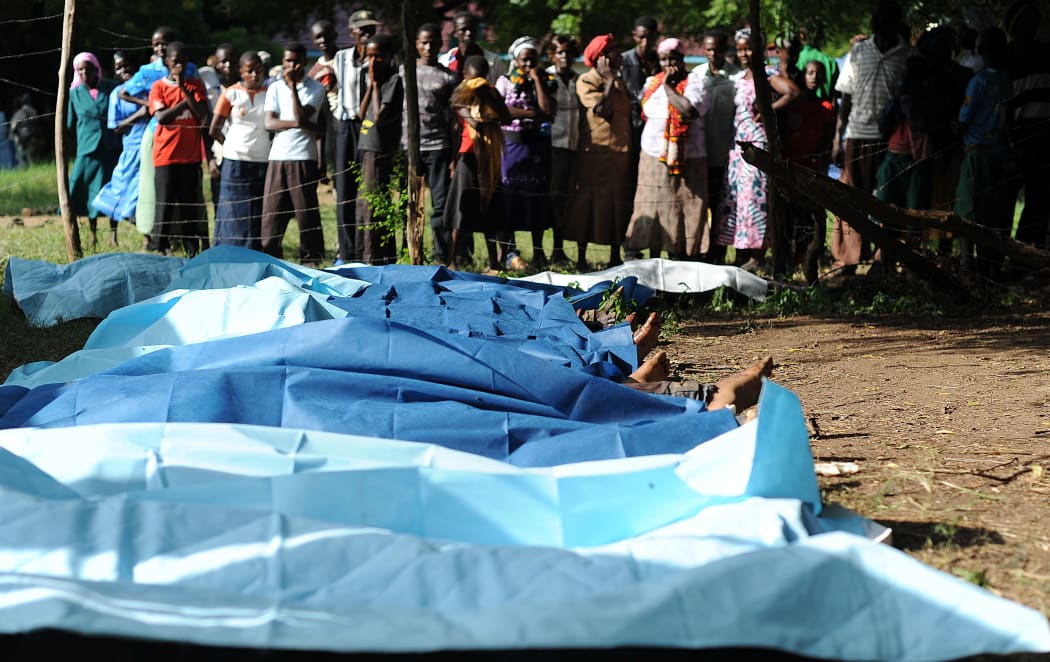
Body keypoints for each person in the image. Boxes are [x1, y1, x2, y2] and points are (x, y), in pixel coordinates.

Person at [830, 0, 910, 274]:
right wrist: (838, 137)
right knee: (852, 200)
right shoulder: (859, 51)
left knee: (888, 202)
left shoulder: (907, 55)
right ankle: (849, 261)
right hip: (857, 133)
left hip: (891, 140)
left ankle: (883, 260)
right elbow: (846, 96)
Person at [716, 29, 799, 272]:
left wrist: (768, 109)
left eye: (748, 48)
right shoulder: (740, 77)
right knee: (737, 201)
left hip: (758, 146)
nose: (743, 53)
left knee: (756, 200)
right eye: (740, 49)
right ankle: (742, 252)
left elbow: (792, 92)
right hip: (737, 148)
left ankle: (758, 253)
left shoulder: (767, 75)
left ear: (760, 49)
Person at [623, 38, 709, 259]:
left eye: (673, 58)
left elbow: (689, 110)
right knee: (651, 202)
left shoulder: (696, 81)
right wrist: (663, 83)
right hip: (653, 155)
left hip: (689, 157)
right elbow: (644, 112)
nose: (668, 63)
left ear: (682, 59)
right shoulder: (652, 82)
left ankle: (682, 252)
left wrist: (669, 86)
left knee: (683, 203)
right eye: (664, 59)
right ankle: (645, 248)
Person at [122, 26, 197, 249]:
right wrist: (151, 106)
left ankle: (180, 238)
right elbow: (123, 93)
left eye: (164, 42)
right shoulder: (148, 71)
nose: (160, 48)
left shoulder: (189, 67)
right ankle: (150, 236)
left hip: (184, 135)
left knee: (185, 191)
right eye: (156, 44)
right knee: (153, 188)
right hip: (156, 132)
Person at [566, 34, 632, 271]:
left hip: (620, 155)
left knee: (617, 203)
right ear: (601, 57)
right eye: (613, 50)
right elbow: (602, 110)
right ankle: (581, 258)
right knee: (588, 203)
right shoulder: (587, 80)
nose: (619, 54)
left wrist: (612, 80)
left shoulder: (618, 81)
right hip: (595, 154)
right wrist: (607, 80)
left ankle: (615, 256)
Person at [955, 27, 1014, 279]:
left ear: (981, 51)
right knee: (995, 211)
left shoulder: (978, 81)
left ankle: (967, 266)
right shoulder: (1006, 79)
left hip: (977, 152)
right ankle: (991, 266)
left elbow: (965, 117)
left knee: (968, 210)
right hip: (1001, 153)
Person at [261, 42, 326, 266]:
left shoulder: (315, 88)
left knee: (305, 211)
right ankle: (270, 254)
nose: (292, 65)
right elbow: (269, 122)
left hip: (303, 155)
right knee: (272, 210)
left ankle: (311, 258)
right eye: (288, 61)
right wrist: (299, 124)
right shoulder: (274, 88)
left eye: (297, 61)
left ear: (305, 62)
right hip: (278, 154)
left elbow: (300, 116)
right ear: (283, 62)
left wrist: (292, 89)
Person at [494, 36, 556, 271]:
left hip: (537, 147)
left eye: (533, 59)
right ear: (516, 60)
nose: (528, 63)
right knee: (510, 197)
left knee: (537, 198)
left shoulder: (546, 81)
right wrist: (530, 113)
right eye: (524, 59)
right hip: (511, 146)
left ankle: (538, 252)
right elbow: (501, 110)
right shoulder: (505, 81)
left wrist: (537, 80)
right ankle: (510, 252)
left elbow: (548, 110)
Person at [446, 55, 511, 271]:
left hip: (489, 157)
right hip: (469, 154)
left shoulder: (490, 92)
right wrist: (478, 116)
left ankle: (494, 262)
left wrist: (489, 97)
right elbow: (464, 112)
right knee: (460, 209)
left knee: (489, 208)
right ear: (466, 76)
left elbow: (506, 117)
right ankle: (452, 260)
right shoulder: (461, 93)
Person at [402, 23, 459, 266]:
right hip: (409, 147)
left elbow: (455, 120)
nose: (428, 47)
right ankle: (408, 253)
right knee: (409, 203)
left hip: (438, 147)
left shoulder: (448, 77)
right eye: (423, 42)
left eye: (433, 42)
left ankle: (441, 256)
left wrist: (454, 155)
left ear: (440, 44)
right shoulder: (404, 72)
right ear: (416, 44)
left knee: (439, 204)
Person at [148, 41, 210, 256]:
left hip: (190, 157)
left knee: (189, 206)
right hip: (166, 156)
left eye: (183, 62)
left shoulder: (194, 86)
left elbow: (203, 116)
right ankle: (161, 247)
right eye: (175, 62)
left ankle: (191, 249)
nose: (180, 67)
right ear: (167, 62)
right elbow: (162, 117)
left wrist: (183, 88)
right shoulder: (158, 87)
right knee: (164, 204)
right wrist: (186, 102)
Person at [781, 59, 836, 279]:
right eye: (810, 72)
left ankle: (806, 255)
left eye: (818, 73)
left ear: (823, 78)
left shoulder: (826, 107)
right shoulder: (793, 104)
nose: (813, 77)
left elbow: (827, 138)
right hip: (790, 165)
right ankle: (786, 255)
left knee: (808, 213)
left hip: (811, 168)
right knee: (788, 212)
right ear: (803, 76)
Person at [210, 51, 270, 250]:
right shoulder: (231, 93)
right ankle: (228, 248)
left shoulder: (270, 92)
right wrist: (229, 146)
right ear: (241, 72)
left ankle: (253, 249)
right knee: (232, 208)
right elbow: (214, 129)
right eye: (250, 71)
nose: (255, 75)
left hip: (261, 159)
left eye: (259, 71)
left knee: (256, 207)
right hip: (235, 160)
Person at [332, 9, 379, 263]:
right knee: (344, 188)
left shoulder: (379, 58)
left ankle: (367, 249)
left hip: (369, 126)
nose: (367, 35)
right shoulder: (341, 58)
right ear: (353, 33)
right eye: (363, 30)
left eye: (371, 30)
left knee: (369, 188)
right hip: (346, 125)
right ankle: (346, 251)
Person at [1004, 0, 1050, 250]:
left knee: (1039, 196)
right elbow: (1003, 104)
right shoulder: (1007, 57)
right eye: (1026, 19)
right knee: (1006, 197)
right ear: (1014, 25)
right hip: (1016, 132)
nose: (1033, 25)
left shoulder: (1046, 53)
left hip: (1044, 131)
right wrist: (1009, 138)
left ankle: (1027, 252)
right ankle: (1000, 254)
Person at [355, 33, 404, 264]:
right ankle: (364, 252)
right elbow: (360, 113)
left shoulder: (394, 80)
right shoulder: (369, 77)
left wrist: (375, 85)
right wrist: (369, 85)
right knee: (363, 204)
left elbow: (379, 114)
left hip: (379, 147)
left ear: (388, 57)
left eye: (378, 57)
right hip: (365, 145)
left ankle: (375, 255)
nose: (373, 62)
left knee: (374, 203)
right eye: (370, 56)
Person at [67, 51, 121, 249]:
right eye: (80, 69)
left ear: (96, 69)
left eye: (88, 68)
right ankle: (92, 233)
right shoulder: (74, 94)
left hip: (110, 147)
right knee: (89, 191)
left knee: (111, 189)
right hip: (87, 149)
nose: (84, 72)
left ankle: (114, 234)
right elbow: (69, 124)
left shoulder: (111, 88)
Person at [697, 28, 740, 265]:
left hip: (725, 154)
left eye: (718, 49)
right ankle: (698, 252)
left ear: (725, 50)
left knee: (721, 205)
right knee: (700, 205)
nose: (713, 54)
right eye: (709, 49)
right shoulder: (695, 75)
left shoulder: (736, 77)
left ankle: (718, 254)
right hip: (698, 153)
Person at [93, 51, 149, 225]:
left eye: (127, 65)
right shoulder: (116, 94)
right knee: (122, 185)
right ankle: (133, 219)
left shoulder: (148, 88)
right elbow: (116, 127)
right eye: (119, 68)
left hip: (150, 145)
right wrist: (138, 114)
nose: (124, 70)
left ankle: (148, 233)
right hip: (131, 148)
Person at [545, 34, 580, 267]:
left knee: (568, 197)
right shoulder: (547, 77)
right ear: (552, 55)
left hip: (574, 144)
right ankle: (550, 250)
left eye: (568, 52)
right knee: (552, 196)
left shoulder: (579, 79)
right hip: (552, 145)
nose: (564, 57)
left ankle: (561, 249)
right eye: (560, 53)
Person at [310, 19, 340, 183]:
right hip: (324, 123)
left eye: (326, 35)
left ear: (335, 35)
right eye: (318, 37)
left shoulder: (345, 60)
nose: (323, 40)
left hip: (343, 120)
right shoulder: (314, 70)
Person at [439, 11, 506, 84]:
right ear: (455, 33)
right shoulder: (445, 61)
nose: (468, 33)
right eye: (463, 29)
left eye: (471, 29)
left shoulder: (494, 62)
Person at [10, 94, 44, 166]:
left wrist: (12, 136)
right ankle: (32, 166)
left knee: (20, 154)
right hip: (31, 135)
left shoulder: (18, 113)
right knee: (31, 153)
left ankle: (22, 167)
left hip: (19, 137)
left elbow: (13, 126)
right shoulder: (33, 110)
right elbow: (36, 122)